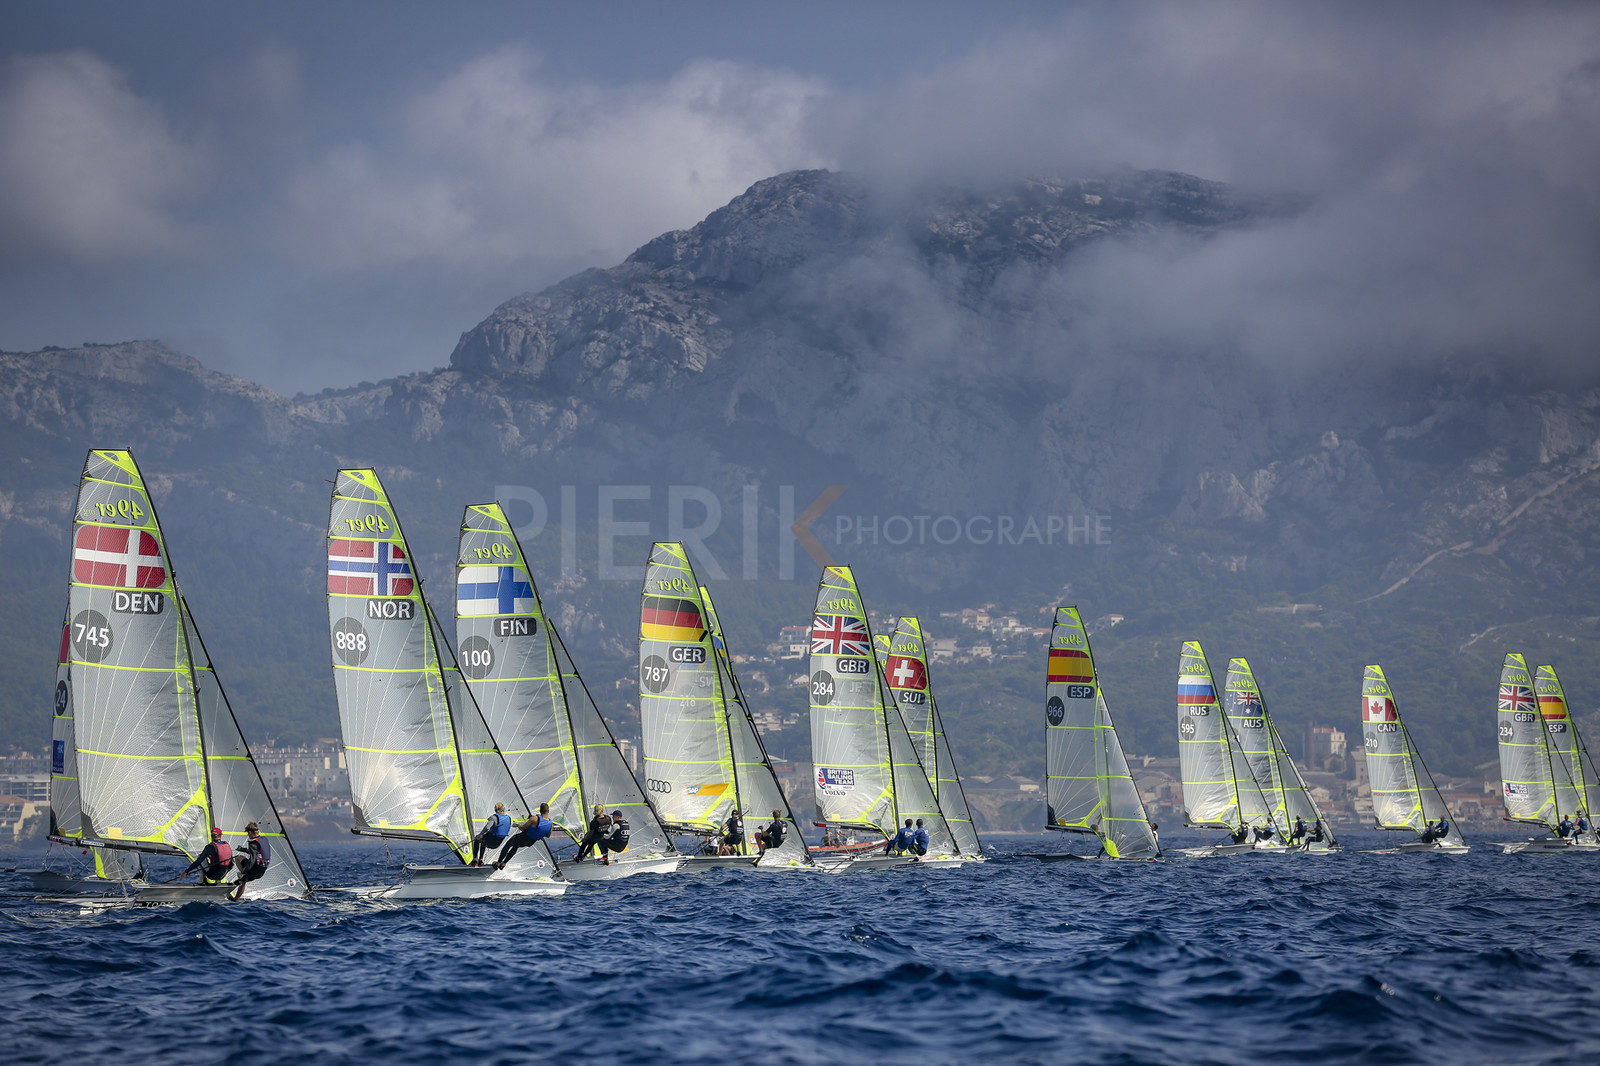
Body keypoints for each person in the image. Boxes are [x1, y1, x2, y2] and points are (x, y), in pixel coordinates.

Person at [496, 803, 553, 870]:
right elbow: (548, 835)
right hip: (531, 842)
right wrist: (539, 832)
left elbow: (522, 828)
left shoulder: (534, 818)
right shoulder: (550, 824)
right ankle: (503, 864)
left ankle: (498, 862)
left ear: (540, 810)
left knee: (509, 843)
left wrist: (517, 825)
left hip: (524, 837)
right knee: (515, 846)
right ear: (548, 811)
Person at [228, 822, 271, 901]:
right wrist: (243, 850)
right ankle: (235, 899)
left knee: (238, 858)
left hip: (254, 870)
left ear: (250, 832)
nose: (248, 835)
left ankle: (243, 876)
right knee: (243, 881)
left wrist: (243, 872)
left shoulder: (253, 844)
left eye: (248, 833)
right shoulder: (264, 839)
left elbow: (252, 860)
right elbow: (257, 853)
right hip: (262, 870)